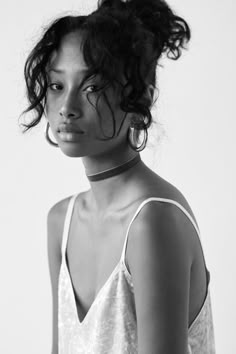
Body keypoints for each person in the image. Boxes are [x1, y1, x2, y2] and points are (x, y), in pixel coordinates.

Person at [20, 0, 216, 353]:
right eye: (56, 85)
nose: (67, 107)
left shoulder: (153, 222)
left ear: (137, 97)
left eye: (92, 87)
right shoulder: (60, 223)